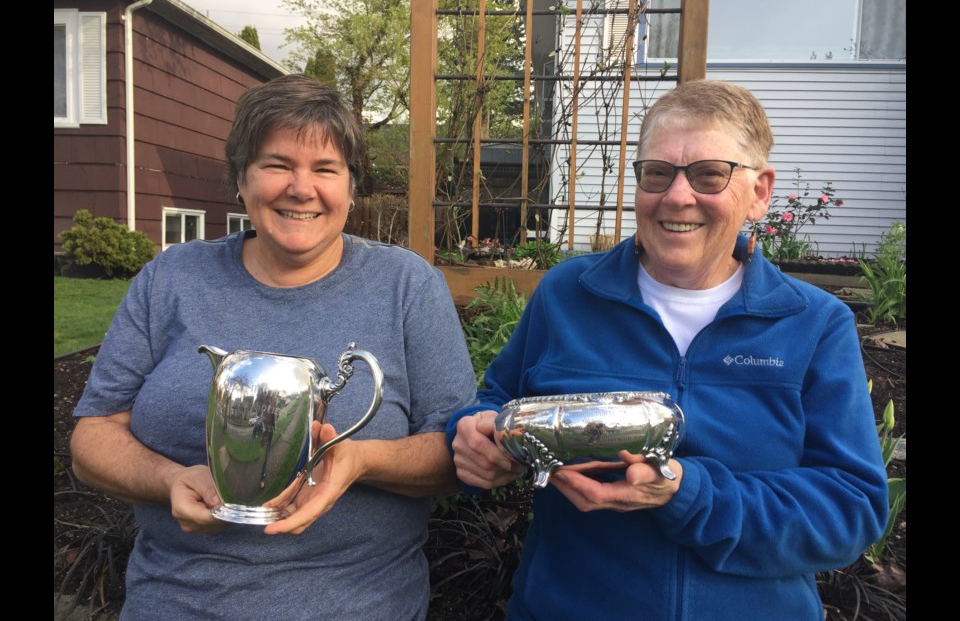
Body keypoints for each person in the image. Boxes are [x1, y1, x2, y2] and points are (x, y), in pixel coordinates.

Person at [447, 80, 888, 620]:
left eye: (709, 174)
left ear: (760, 191)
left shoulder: (814, 325)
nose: (677, 196)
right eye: (658, 173)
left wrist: (688, 494)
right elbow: (497, 400)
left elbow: (853, 509)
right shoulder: (568, 294)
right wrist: (474, 432)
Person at [70, 74, 477, 620]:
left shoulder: (406, 286)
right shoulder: (171, 279)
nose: (301, 188)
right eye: (277, 164)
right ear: (240, 178)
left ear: (351, 188)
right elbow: (92, 436)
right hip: (178, 599)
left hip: (357, 603)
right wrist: (169, 479)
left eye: (325, 169)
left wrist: (358, 459)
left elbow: (458, 453)